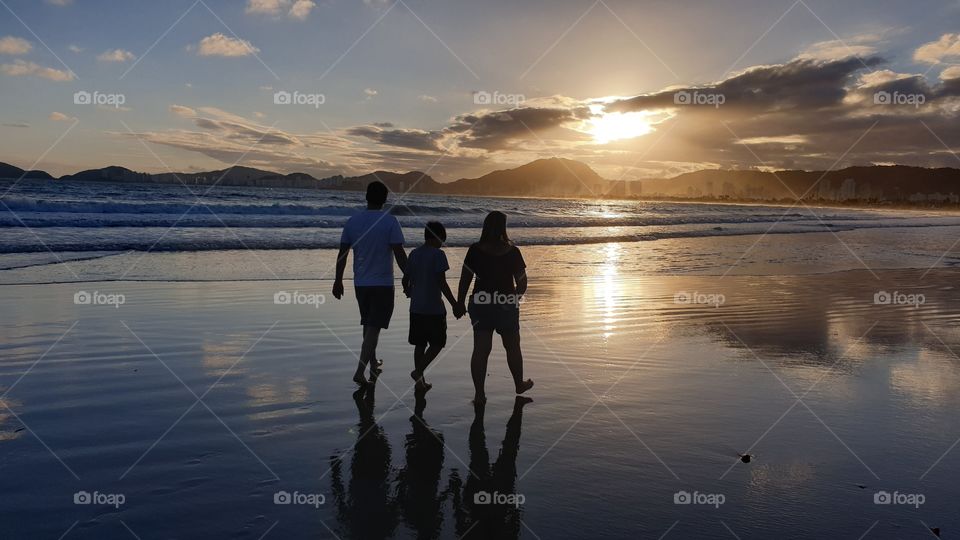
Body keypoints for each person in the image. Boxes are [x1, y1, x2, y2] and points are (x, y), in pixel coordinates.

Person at [333, 181, 407, 386]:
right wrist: (410, 276)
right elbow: (400, 254)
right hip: (382, 283)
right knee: (373, 326)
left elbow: (342, 254)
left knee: (369, 324)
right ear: (385, 199)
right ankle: (359, 371)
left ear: (366, 197)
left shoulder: (352, 221)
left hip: (361, 282)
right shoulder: (390, 221)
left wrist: (338, 280)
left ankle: (373, 362)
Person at [456, 211, 534, 404]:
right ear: (503, 228)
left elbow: (465, 279)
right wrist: (514, 299)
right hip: (505, 304)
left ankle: (480, 394)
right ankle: (518, 384)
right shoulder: (512, 251)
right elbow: (522, 283)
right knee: (512, 347)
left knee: (481, 350)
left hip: (481, 303)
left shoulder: (475, 249)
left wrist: (459, 302)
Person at [401, 221, 463, 392]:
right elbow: (441, 283)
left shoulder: (413, 254)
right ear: (437, 237)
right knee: (437, 343)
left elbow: (405, 279)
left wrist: (407, 290)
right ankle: (418, 372)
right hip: (434, 308)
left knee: (419, 344)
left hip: (416, 308)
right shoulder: (438, 255)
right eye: (442, 240)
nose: (442, 243)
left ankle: (420, 382)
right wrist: (454, 304)